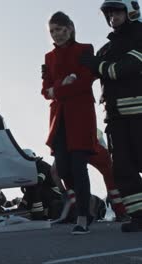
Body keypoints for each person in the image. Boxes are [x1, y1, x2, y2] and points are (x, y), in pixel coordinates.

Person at [79, 0, 142, 232]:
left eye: (117, 11)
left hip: (139, 114)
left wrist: (98, 65)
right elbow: (90, 74)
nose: (112, 16)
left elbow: (123, 69)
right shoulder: (106, 49)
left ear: (131, 11)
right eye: (109, 13)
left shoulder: (140, 36)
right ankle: (139, 216)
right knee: (123, 168)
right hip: (115, 118)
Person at [41, 11, 98, 234]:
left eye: (60, 29)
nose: (57, 35)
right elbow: (45, 90)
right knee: (63, 169)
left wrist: (59, 89)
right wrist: (62, 86)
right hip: (59, 119)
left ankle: (82, 217)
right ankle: (87, 202)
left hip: (81, 118)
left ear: (70, 28)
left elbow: (85, 82)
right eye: (52, 31)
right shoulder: (48, 57)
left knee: (78, 166)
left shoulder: (85, 49)